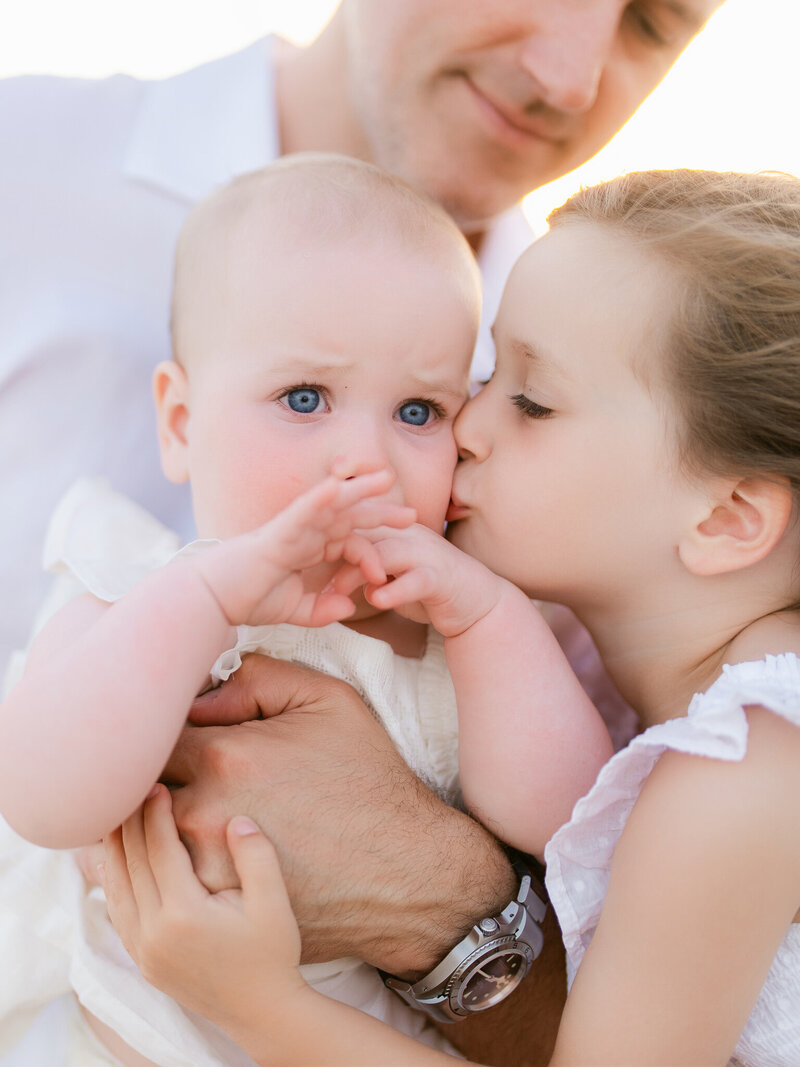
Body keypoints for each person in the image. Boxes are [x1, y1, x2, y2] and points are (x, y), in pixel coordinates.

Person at [0, 2, 722, 1061]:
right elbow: (47, 795)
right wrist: (204, 598)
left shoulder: (477, 587)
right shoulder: (130, 577)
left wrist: (484, 621)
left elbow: (562, 815)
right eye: (303, 398)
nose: (366, 459)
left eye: (420, 412)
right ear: (181, 421)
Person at [100, 168, 800, 1067]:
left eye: (534, 400)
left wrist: (257, 1003)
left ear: (724, 520)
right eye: (481, 376)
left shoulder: (745, 768)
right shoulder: (588, 665)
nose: (464, 426)